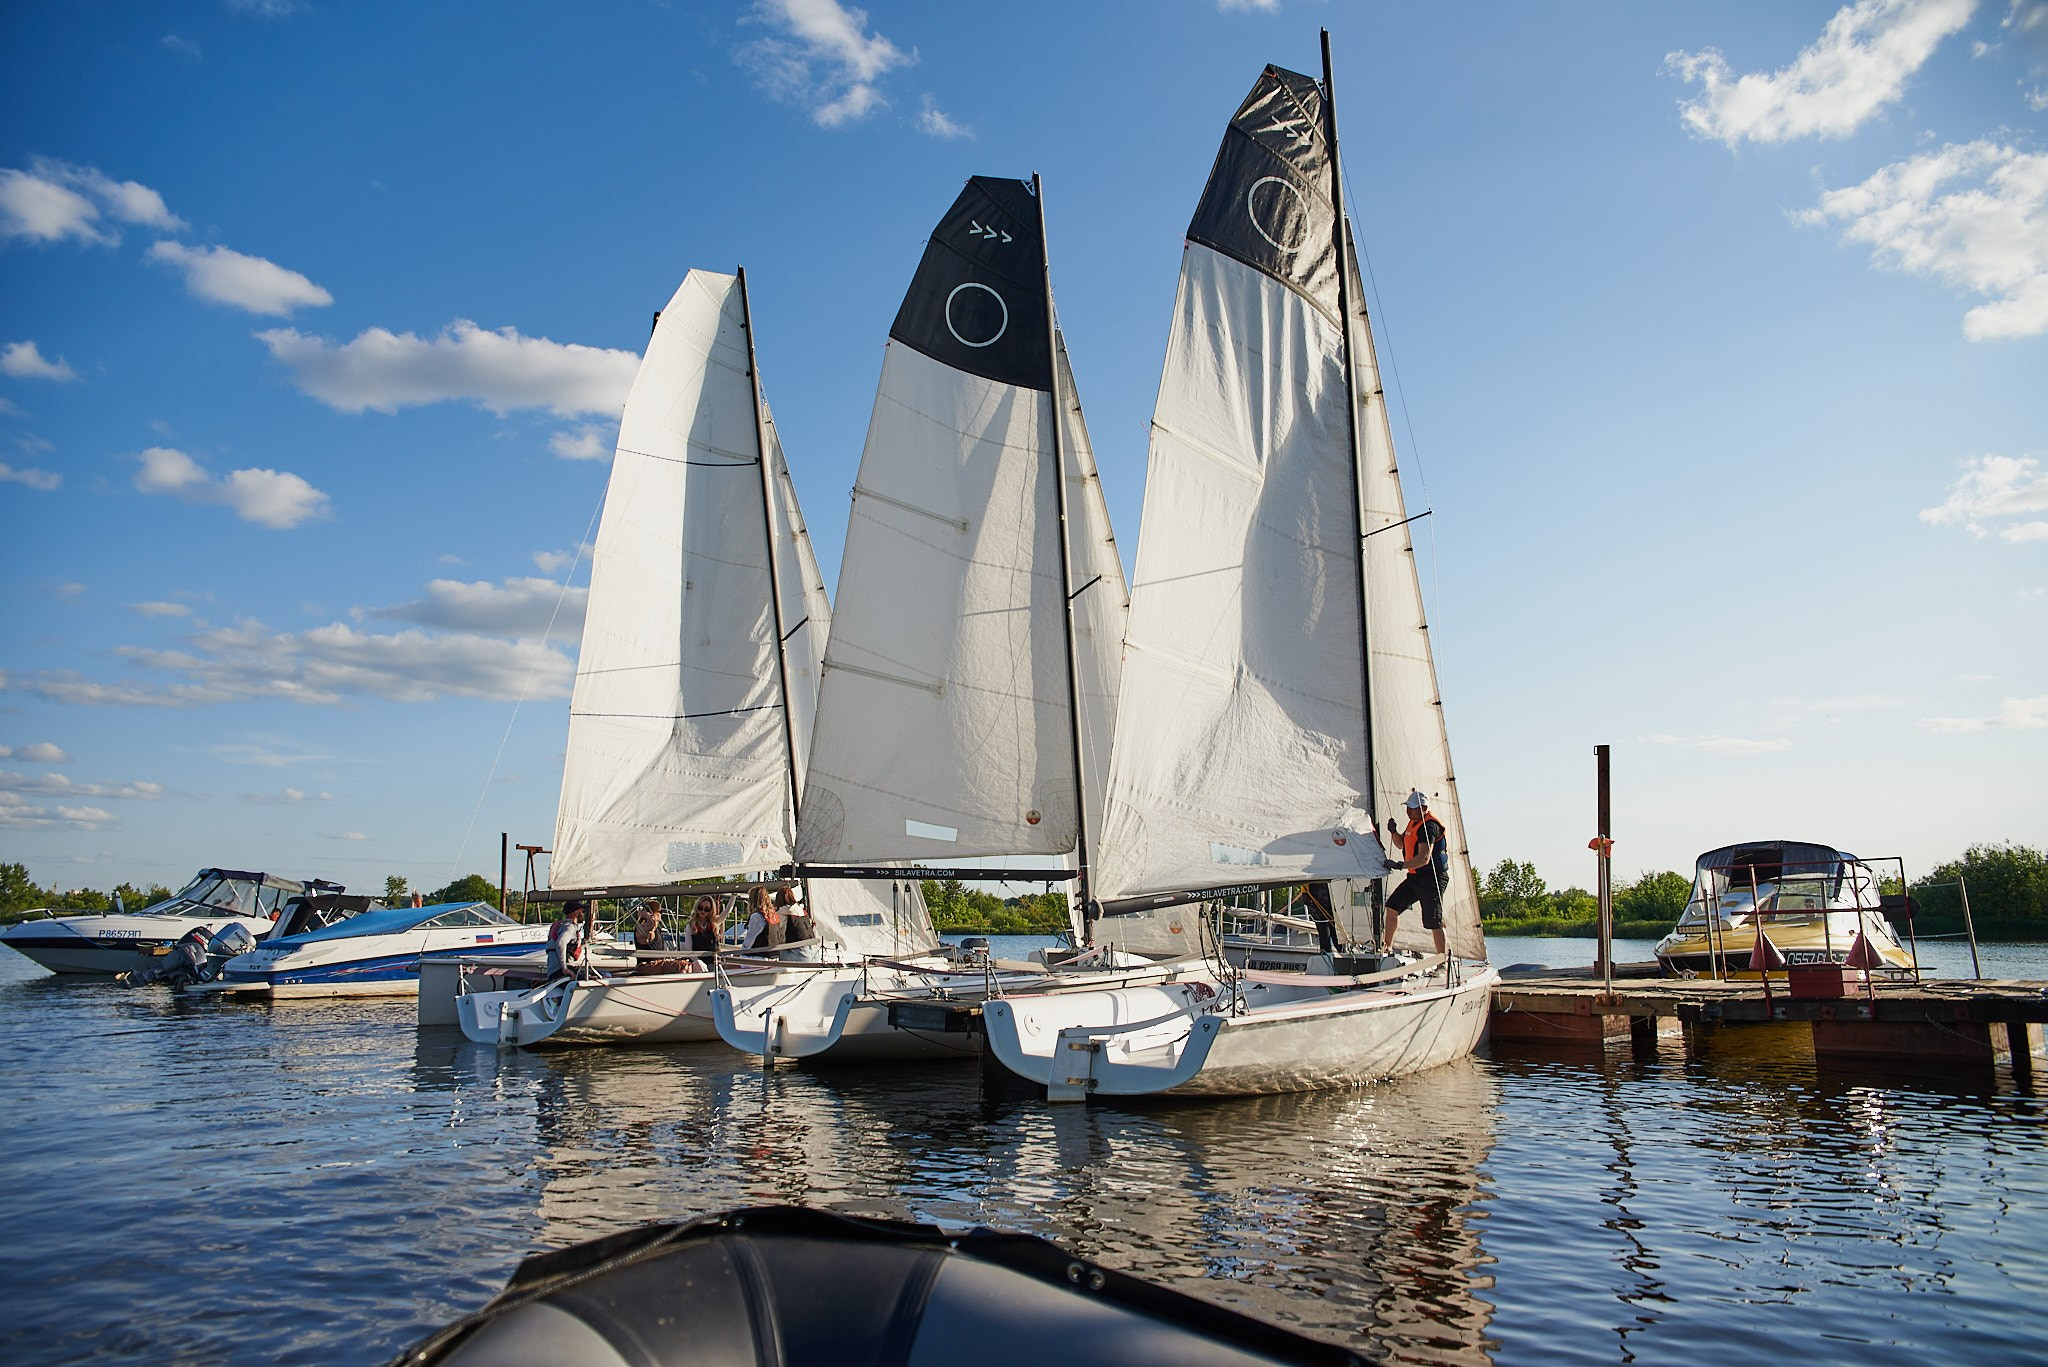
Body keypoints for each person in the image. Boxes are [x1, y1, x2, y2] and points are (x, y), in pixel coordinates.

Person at [1382, 790, 1449, 956]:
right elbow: (1401, 844)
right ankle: (1386, 948)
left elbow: (1424, 858)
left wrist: (1400, 865)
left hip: (1432, 878)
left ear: (1424, 808)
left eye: (1413, 808)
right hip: (1414, 877)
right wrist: (1393, 832)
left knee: (1434, 921)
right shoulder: (1413, 823)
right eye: (1408, 808)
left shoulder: (1429, 826)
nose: (1409, 811)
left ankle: (1442, 960)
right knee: (1392, 907)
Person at [547, 899, 591, 980]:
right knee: (602, 976)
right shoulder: (570, 927)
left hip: (553, 971)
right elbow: (561, 943)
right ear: (576, 912)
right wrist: (564, 968)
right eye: (583, 911)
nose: (583, 914)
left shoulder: (562, 925)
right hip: (561, 971)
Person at [740, 885, 784, 951]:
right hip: (773, 953)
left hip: (758, 954)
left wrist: (740, 951)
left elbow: (750, 939)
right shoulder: (774, 915)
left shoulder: (757, 917)